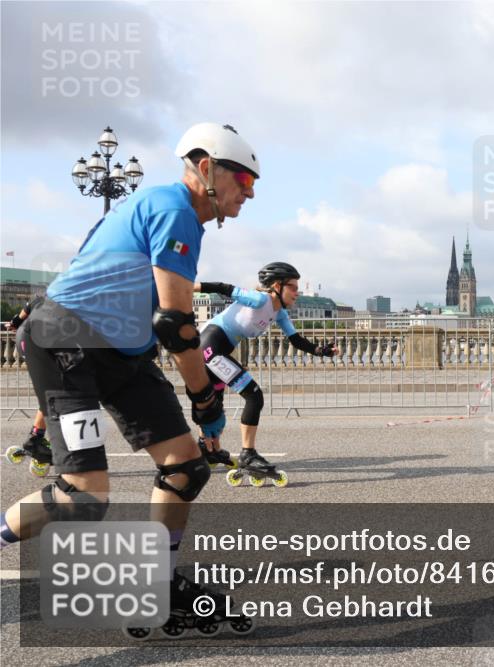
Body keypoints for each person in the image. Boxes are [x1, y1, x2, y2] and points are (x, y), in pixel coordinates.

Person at [0, 122, 260, 638]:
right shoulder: (174, 208)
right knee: (83, 496)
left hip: (123, 353)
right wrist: (206, 402)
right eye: (243, 180)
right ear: (206, 168)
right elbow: (177, 327)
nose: (249, 192)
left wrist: (202, 408)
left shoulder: (175, 214)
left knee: (187, 467)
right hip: (69, 342)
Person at [195, 262, 337, 487]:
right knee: (254, 396)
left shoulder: (279, 313)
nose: (297, 293)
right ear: (277, 286)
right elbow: (224, 287)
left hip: (219, 348)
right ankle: (247, 454)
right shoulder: (260, 299)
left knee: (214, 401)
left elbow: (295, 340)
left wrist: (322, 351)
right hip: (209, 346)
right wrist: (185, 287)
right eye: (293, 287)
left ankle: (209, 448)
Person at [4, 296, 51, 476]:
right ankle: (37, 439)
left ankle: (37, 436)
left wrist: (16, 320)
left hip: (25, 337)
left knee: (50, 394)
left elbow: (32, 302)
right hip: (40, 341)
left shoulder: (55, 293)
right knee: (58, 393)